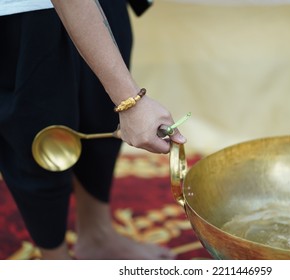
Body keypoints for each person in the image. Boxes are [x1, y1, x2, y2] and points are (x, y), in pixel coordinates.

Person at [0, 0, 186, 260]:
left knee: (100, 115)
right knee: (40, 136)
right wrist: (130, 102)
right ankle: (55, 260)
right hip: (26, 13)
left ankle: (97, 235)